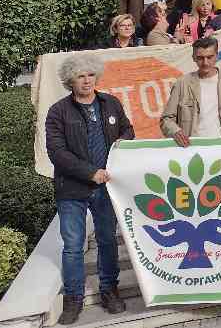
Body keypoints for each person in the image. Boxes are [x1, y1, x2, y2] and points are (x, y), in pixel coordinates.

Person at [45, 54, 134, 323]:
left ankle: (109, 290)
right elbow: (57, 152)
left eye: (90, 75)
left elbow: (128, 130)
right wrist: (89, 172)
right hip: (71, 188)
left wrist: (120, 145)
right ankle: (73, 299)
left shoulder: (110, 103)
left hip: (107, 186)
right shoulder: (58, 111)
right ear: (70, 80)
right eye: (80, 76)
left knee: (107, 240)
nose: (86, 80)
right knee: (73, 245)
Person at [161, 37, 221, 145]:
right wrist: (175, 131)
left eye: (209, 57)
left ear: (217, 56)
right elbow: (166, 120)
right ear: (193, 58)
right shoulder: (182, 84)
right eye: (200, 58)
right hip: (192, 148)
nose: (205, 62)